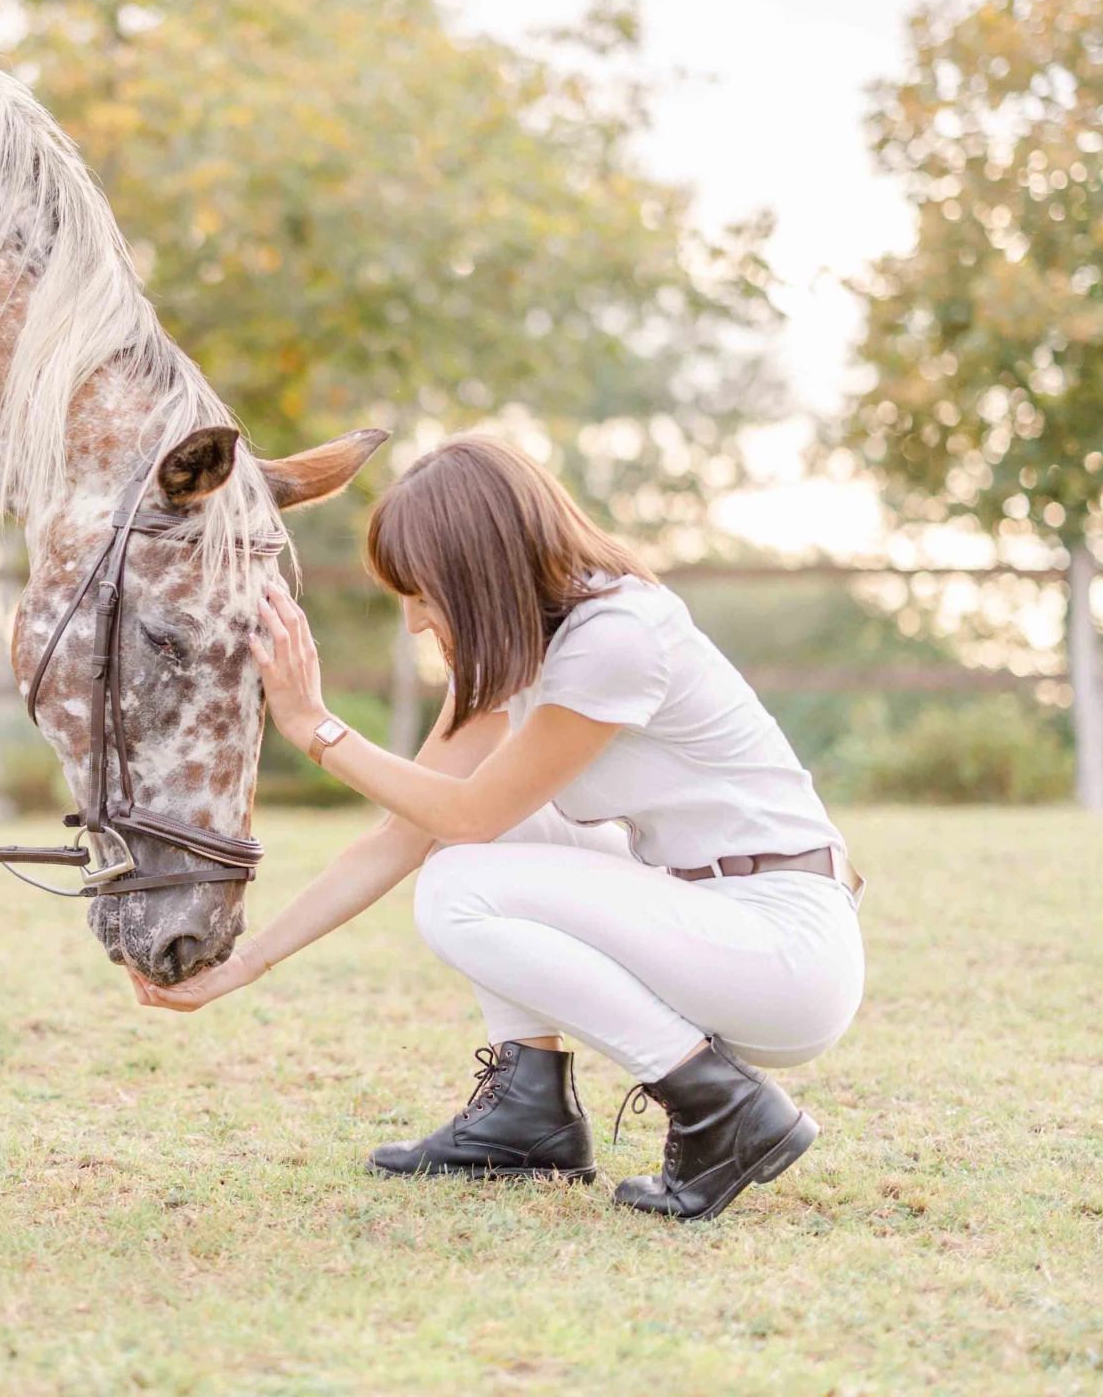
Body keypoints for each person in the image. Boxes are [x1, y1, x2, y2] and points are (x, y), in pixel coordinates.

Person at [134, 434, 864, 1221]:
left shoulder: (616, 637)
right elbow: (403, 832)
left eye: (421, 592)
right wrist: (248, 963)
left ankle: (722, 1106)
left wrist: (315, 727)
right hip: (713, 923)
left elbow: (470, 815)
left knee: (461, 879)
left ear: (477, 571)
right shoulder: (518, 658)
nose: (414, 621)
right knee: (467, 848)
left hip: (782, 954)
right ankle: (530, 1113)